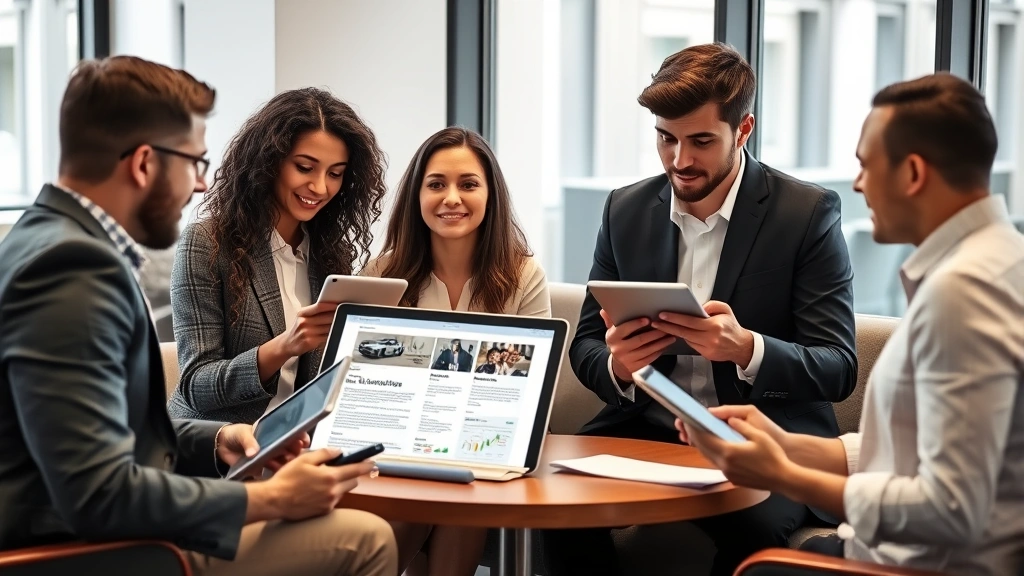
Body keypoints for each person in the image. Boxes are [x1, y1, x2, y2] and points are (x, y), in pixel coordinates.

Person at [0, 56, 396, 575]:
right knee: (368, 539)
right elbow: (99, 494)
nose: (202, 185)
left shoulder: (47, 241)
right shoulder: (73, 268)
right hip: (86, 553)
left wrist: (215, 439)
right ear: (144, 163)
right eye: (194, 162)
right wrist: (272, 498)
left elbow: (102, 438)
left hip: (106, 529)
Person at [679, 73, 1024, 576]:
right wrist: (786, 445)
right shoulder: (1003, 261)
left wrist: (784, 474)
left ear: (913, 173)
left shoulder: (964, 293)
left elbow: (951, 510)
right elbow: (920, 450)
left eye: (865, 165)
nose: (859, 184)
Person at [545, 42, 857, 576]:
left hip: (761, 435)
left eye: (701, 141)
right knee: (556, 504)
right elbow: (587, 345)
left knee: (752, 529)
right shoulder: (624, 209)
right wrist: (619, 367)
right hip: (645, 428)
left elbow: (839, 366)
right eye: (666, 139)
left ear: (743, 130)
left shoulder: (806, 214)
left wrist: (747, 349)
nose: (680, 160)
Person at [362, 126, 552, 576]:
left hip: (486, 446)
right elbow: (370, 382)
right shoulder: (381, 275)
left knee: (462, 487)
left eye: (468, 184)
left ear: (490, 195)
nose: (452, 198)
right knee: (419, 494)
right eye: (436, 184)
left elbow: (529, 390)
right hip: (400, 449)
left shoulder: (523, 275)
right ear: (417, 194)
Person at [168, 87, 388, 425]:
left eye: (335, 173)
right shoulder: (207, 243)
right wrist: (285, 345)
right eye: (305, 167)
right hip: (220, 441)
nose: (320, 187)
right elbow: (197, 385)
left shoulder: (331, 254)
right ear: (269, 162)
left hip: (299, 437)